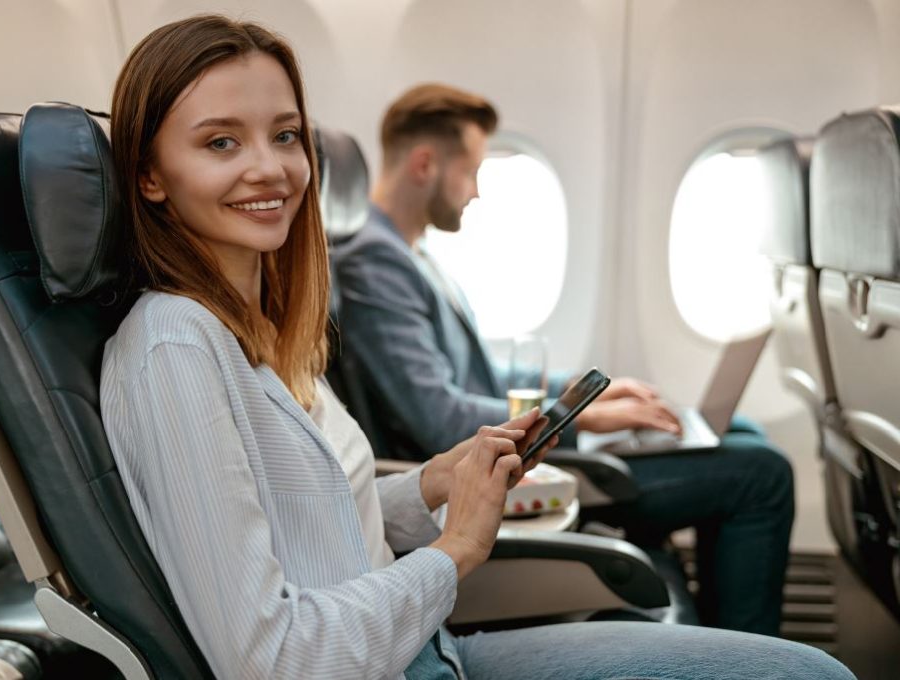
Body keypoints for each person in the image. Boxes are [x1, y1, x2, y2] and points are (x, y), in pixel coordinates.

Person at [100, 14, 854, 679]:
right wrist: (454, 549)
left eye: (286, 135)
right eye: (220, 142)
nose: (270, 167)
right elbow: (273, 661)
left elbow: (315, 516)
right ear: (150, 176)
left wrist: (433, 480)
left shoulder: (254, 329)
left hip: (424, 649)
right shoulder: (176, 348)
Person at [333, 83, 794, 636]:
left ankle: (725, 641)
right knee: (763, 475)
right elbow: (436, 414)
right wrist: (574, 418)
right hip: (489, 473)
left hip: (509, 447)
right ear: (426, 164)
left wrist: (579, 389)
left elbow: (478, 374)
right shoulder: (373, 264)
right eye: (471, 170)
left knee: (742, 432)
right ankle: (745, 656)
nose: (476, 191)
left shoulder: (413, 254)